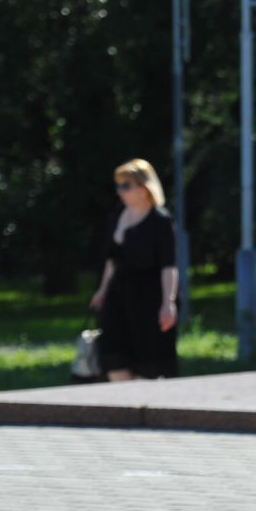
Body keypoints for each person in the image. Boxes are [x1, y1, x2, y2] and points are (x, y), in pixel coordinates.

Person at [89, 159, 179, 380]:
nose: (120, 191)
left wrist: (168, 302)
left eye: (126, 185)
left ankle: (144, 404)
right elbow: (112, 260)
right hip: (118, 294)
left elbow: (169, 266)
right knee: (113, 353)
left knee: (148, 359)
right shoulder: (119, 214)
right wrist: (102, 291)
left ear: (144, 187)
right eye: (119, 185)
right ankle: (123, 404)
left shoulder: (160, 221)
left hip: (148, 298)